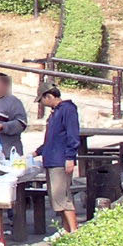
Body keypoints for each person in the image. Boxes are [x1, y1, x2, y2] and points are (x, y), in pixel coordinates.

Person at [38, 84, 82, 233]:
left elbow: (73, 135)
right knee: (56, 198)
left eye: (42, 100)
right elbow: (52, 138)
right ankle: (66, 229)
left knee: (62, 196)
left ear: (49, 96)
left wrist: (70, 157)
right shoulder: (55, 113)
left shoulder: (67, 110)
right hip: (51, 158)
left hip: (60, 159)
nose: (42, 104)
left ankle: (74, 231)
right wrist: (38, 151)